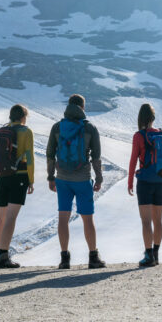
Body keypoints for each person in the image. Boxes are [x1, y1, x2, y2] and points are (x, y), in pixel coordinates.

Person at [46, 94, 105, 269]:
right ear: (82, 107)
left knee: (63, 218)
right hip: (82, 179)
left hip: (62, 179)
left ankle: (65, 259)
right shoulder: (90, 128)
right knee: (88, 219)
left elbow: (50, 154)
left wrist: (51, 177)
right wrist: (99, 178)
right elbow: (96, 156)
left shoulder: (57, 127)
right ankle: (93, 257)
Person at [0, 104, 34, 268]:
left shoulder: (2, 131)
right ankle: (4, 256)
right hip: (19, 177)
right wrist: (31, 179)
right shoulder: (25, 131)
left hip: (1, 177)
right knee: (11, 217)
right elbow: (29, 157)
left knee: (1, 216)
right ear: (23, 117)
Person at [127, 103, 162, 267]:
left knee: (146, 221)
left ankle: (148, 255)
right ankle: (156, 254)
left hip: (144, 182)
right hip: (161, 181)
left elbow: (133, 160)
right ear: (153, 118)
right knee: (158, 220)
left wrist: (130, 181)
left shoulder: (139, 136)